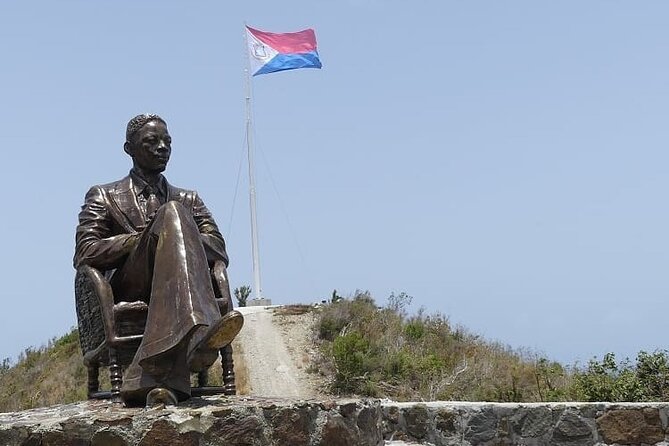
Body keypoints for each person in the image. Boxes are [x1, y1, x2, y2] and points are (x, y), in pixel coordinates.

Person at [74, 113, 243, 407]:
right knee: (173, 213)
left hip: (181, 282)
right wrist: (142, 238)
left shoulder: (190, 197)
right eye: (152, 141)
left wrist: (180, 233)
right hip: (133, 281)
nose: (162, 147)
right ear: (129, 149)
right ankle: (199, 332)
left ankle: (158, 381)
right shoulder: (103, 195)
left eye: (167, 141)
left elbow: (218, 247)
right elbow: (85, 251)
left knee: (175, 215)